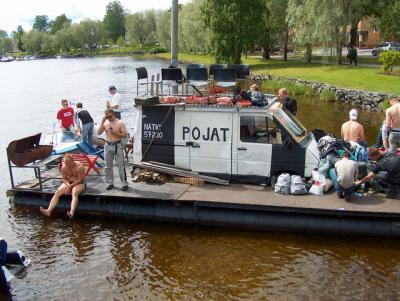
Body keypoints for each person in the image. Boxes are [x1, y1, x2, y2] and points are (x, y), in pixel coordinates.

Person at [40, 154, 86, 218]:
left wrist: (70, 187)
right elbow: (64, 179)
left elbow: (80, 180)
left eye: (69, 163)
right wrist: (68, 185)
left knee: (74, 192)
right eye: (66, 163)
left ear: (73, 161)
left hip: (79, 183)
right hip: (68, 182)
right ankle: (48, 211)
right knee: (58, 192)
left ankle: (71, 212)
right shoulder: (64, 167)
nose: (67, 165)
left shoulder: (80, 167)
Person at [97, 109, 129, 191]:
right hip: (107, 145)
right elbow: (98, 133)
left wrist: (114, 132)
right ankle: (109, 183)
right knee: (108, 166)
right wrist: (102, 122)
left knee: (120, 165)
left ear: (113, 114)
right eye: (106, 117)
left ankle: (124, 183)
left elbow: (125, 135)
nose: (108, 118)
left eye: (109, 116)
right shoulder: (105, 122)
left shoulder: (120, 122)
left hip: (117, 145)